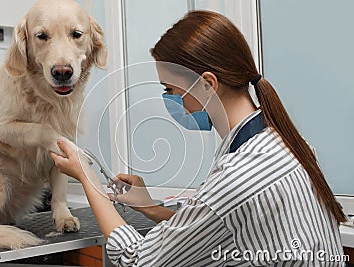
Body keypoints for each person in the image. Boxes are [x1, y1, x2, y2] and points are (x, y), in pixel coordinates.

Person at [50, 10, 346, 266]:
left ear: (207, 85)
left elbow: (139, 259)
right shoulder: (283, 143)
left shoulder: (239, 176)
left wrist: (87, 177)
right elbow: (215, 226)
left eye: (171, 91)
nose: (171, 102)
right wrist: (150, 208)